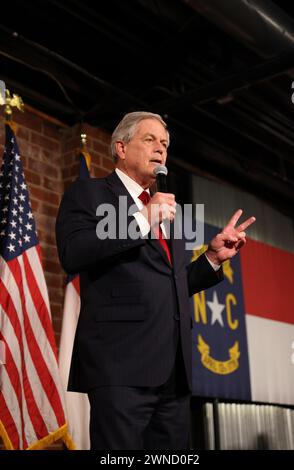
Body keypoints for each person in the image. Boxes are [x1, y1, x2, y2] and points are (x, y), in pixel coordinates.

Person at [55, 111, 255, 450]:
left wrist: (211, 258)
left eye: (164, 143)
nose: (160, 149)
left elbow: (171, 284)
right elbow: (74, 253)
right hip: (120, 369)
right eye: (149, 140)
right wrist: (141, 219)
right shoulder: (89, 194)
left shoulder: (168, 210)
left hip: (173, 374)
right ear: (120, 147)